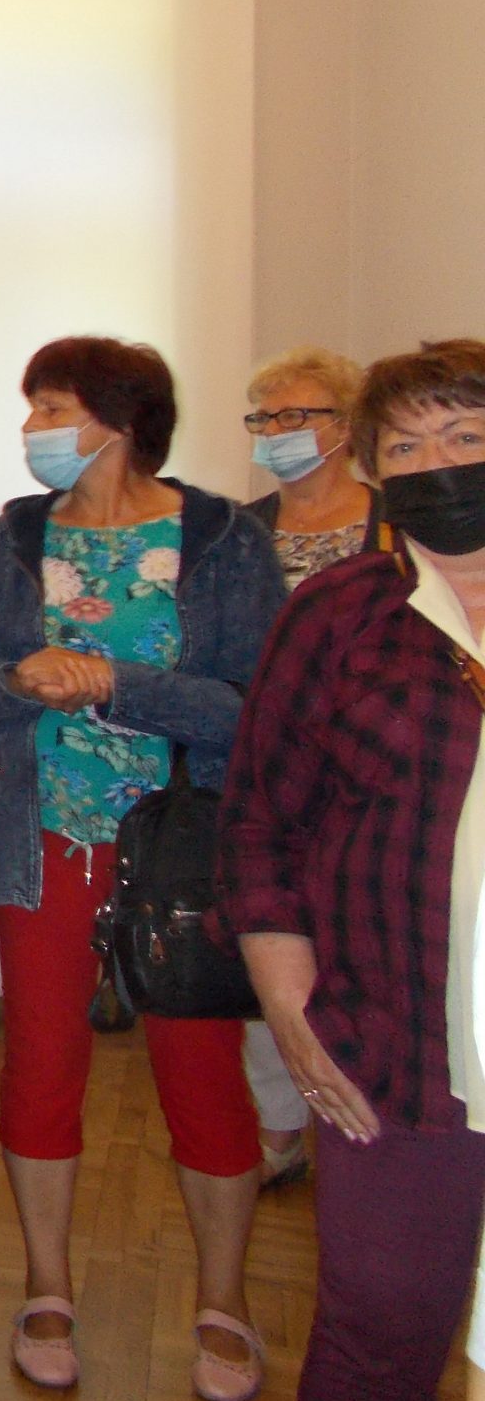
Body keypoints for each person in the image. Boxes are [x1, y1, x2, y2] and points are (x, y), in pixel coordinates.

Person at [0, 336, 284, 1401]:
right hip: (44, 842)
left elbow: (252, 705)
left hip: (180, 849)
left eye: (53, 408)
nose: (33, 428)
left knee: (199, 1066)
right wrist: (19, 676)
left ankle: (223, 1302)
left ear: (121, 420)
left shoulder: (219, 538)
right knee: (41, 1063)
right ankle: (46, 1289)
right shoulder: (9, 538)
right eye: (32, 408)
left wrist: (112, 683)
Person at [220, 338, 485, 1401]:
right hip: (395, 1050)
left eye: (464, 436)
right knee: (380, 1330)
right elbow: (259, 824)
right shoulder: (339, 615)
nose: (439, 465)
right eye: (406, 447)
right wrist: (291, 1013)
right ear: (373, 469)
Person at [235, 344, 377, 1192]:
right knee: (273, 949)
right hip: (270, 774)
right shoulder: (237, 533)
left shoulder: (395, 523)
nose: (277, 431)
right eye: (264, 417)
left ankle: (369, 1120)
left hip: (372, 776)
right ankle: (281, 1126)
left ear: (347, 426)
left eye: (297, 414)